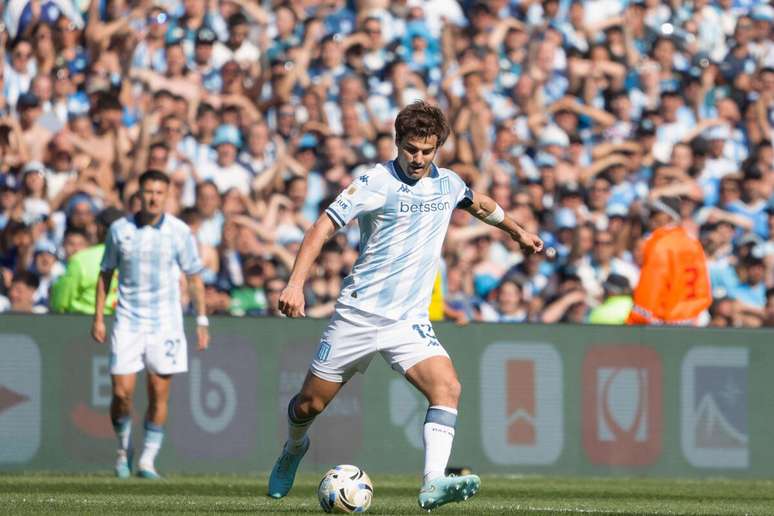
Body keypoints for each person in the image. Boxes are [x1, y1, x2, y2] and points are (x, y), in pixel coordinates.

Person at [267, 101, 543, 510]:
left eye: (427, 150)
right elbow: (321, 227)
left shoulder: (448, 184)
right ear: (397, 143)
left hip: (408, 321)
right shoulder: (374, 182)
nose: (418, 158)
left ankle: (432, 482)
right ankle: (293, 447)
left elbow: (480, 204)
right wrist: (295, 284)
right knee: (310, 404)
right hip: (358, 316)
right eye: (411, 149)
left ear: (437, 149)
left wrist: (518, 232)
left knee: (447, 387)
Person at [90, 170, 210, 479]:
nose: (153, 198)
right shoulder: (120, 230)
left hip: (166, 322)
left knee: (158, 392)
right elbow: (106, 273)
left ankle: (147, 460)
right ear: (139, 195)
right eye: (148, 192)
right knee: (121, 393)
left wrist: (201, 320)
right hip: (128, 320)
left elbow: (194, 277)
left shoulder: (179, 232)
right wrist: (99, 317)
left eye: (159, 192)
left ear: (167, 195)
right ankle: (123, 449)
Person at [626, 196, 712, 325]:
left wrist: (635, 319)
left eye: (655, 213)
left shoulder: (660, 244)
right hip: (696, 317)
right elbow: (703, 286)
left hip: (669, 322)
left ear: (669, 217)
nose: (650, 217)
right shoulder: (693, 242)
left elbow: (652, 287)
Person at [50, 207, 123, 314]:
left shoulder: (80, 259)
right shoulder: (138, 259)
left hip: (85, 321)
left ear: (100, 228)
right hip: (127, 321)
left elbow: (60, 301)